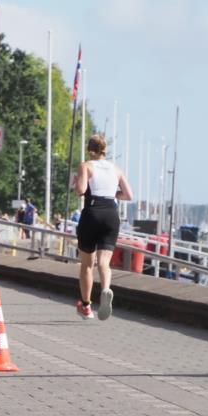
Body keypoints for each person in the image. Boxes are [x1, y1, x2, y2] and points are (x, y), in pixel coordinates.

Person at [74, 134, 133, 320]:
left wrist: (77, 181)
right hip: (111, 213)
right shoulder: (116, 169)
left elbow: (81, 190)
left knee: (87, 264)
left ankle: (86, 306)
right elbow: (128, 195)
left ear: (90, 150)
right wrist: (112, 193)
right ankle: (106, 289)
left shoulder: (86, 166)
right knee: (104, 263)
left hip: (92, 212)